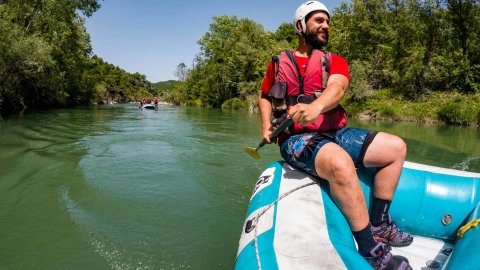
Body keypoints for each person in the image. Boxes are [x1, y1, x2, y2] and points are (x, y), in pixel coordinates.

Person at [258, 1, 413, 269]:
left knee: (395, 148)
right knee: (340, 163)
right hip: (296, 139)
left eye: (327, 21)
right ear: (300, 25)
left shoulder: (334, 61)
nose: (326, 26)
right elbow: (263, 96)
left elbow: (338, 88)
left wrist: (316, 106)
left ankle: (379, 225)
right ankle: (369, 250)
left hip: (336, 132)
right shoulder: (278, 63)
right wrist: (265, 127)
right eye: (318, 20)